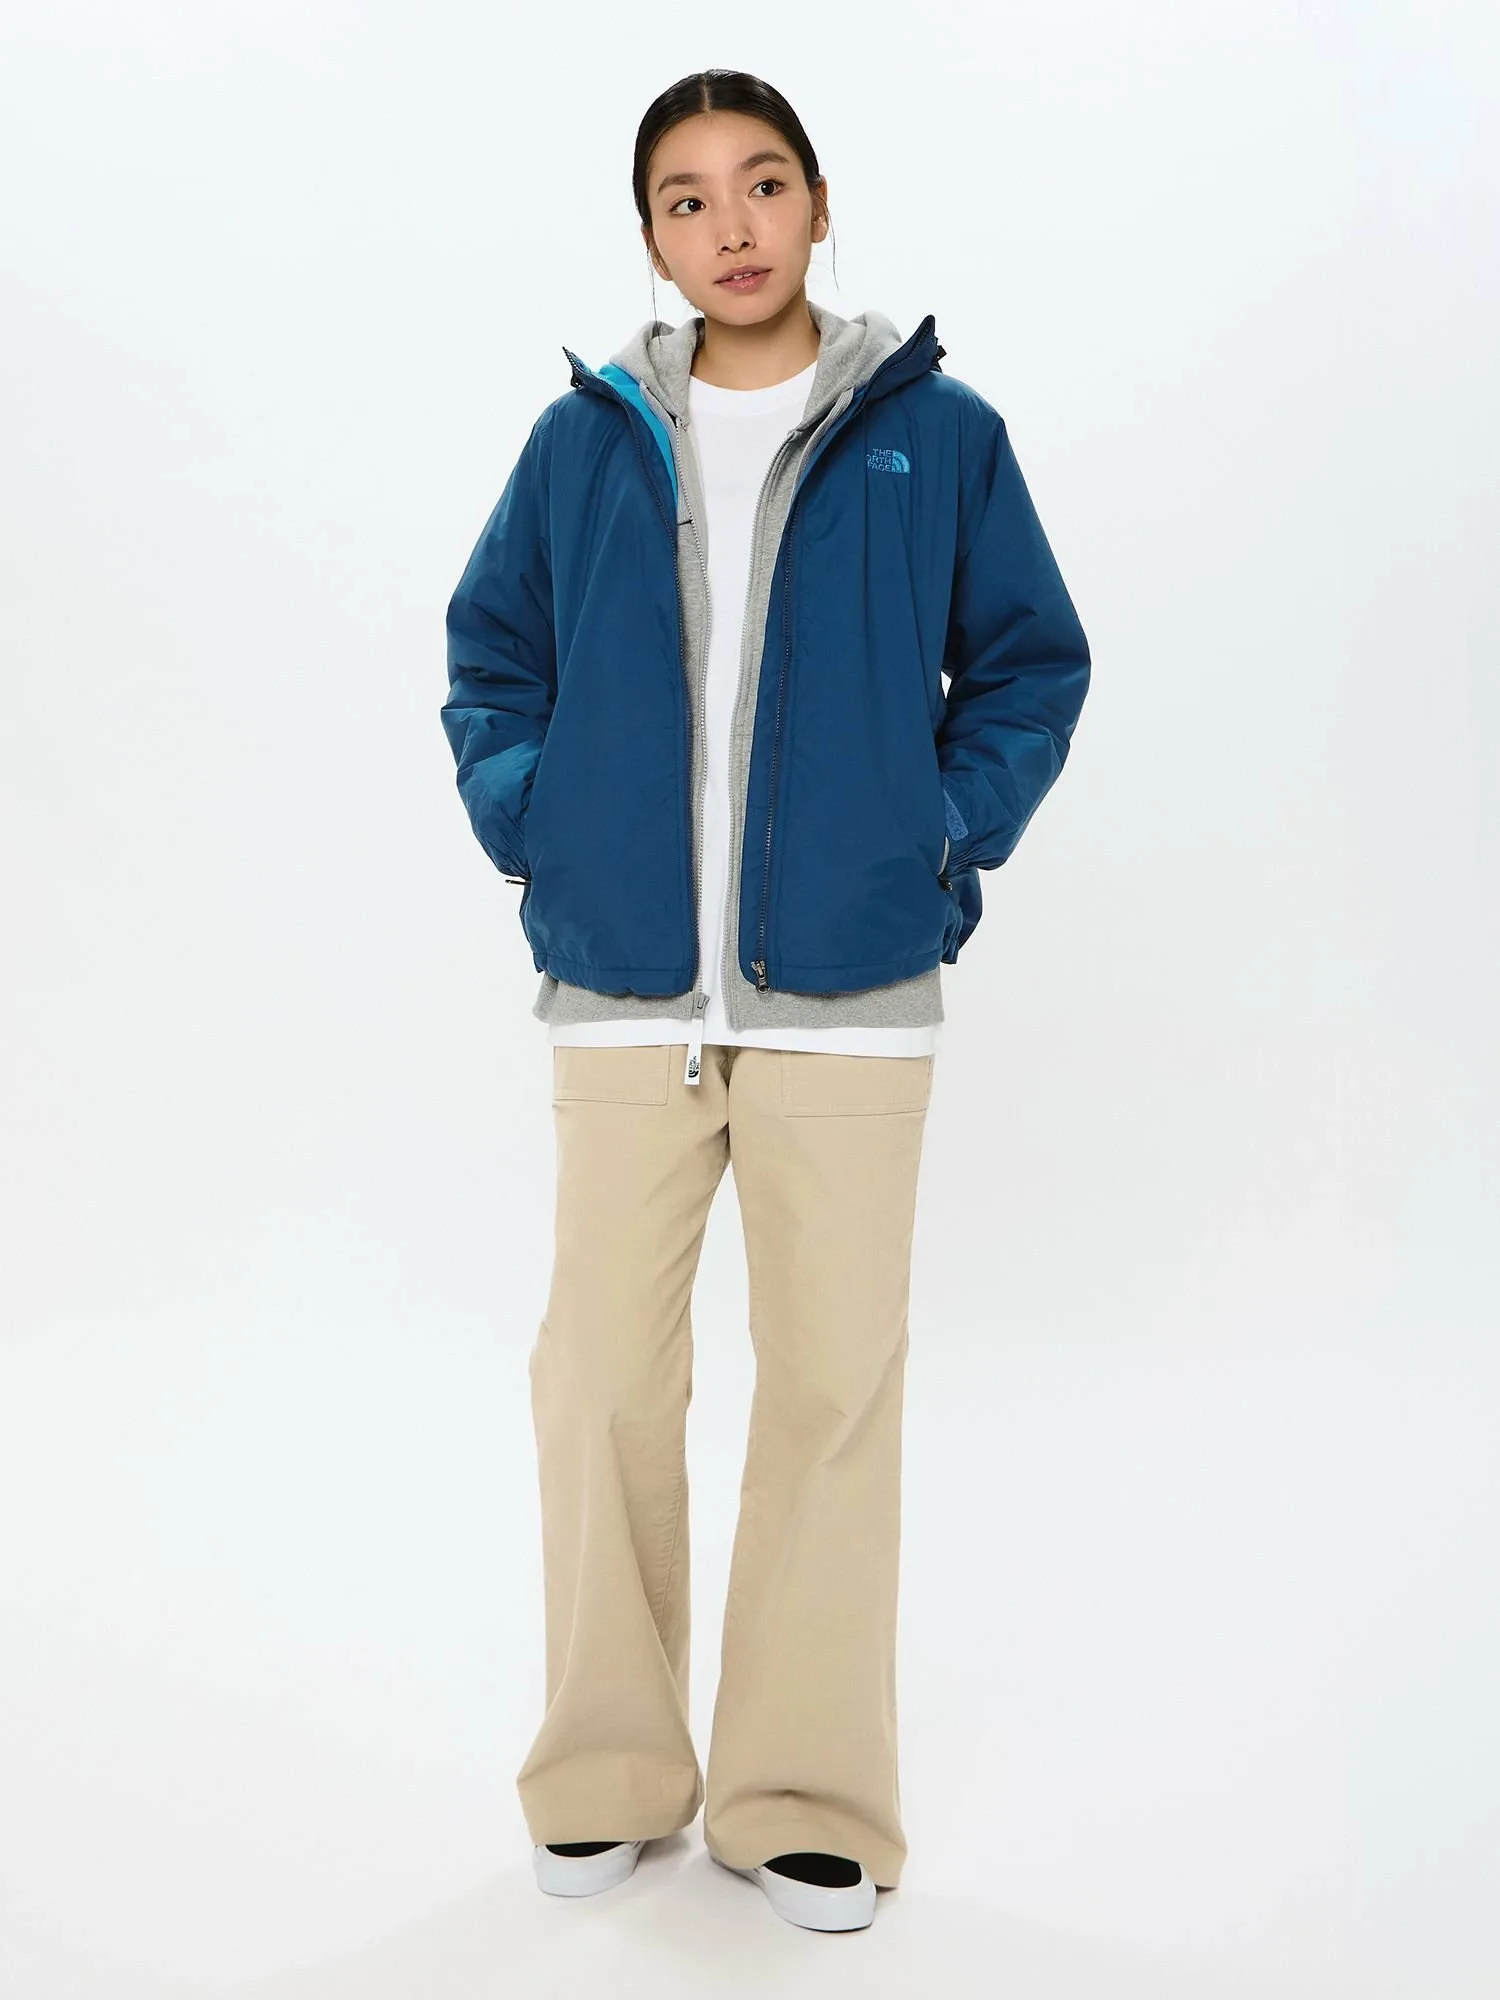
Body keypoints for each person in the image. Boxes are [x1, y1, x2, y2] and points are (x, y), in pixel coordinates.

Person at [441, 68, 1091, 1934]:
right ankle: (607, 1772)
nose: (729, 226)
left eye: (762, 183)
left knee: (828, 1392)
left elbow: (1030, 664)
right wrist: (537, 821)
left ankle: (803, 1797)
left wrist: (935, 839)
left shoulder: (933, 434)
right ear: (650, 238)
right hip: (626, 996)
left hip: (848, 998)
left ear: (818, 203)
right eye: (686, 197)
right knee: (598, 1380)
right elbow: (492, 651)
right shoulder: (589, 440)